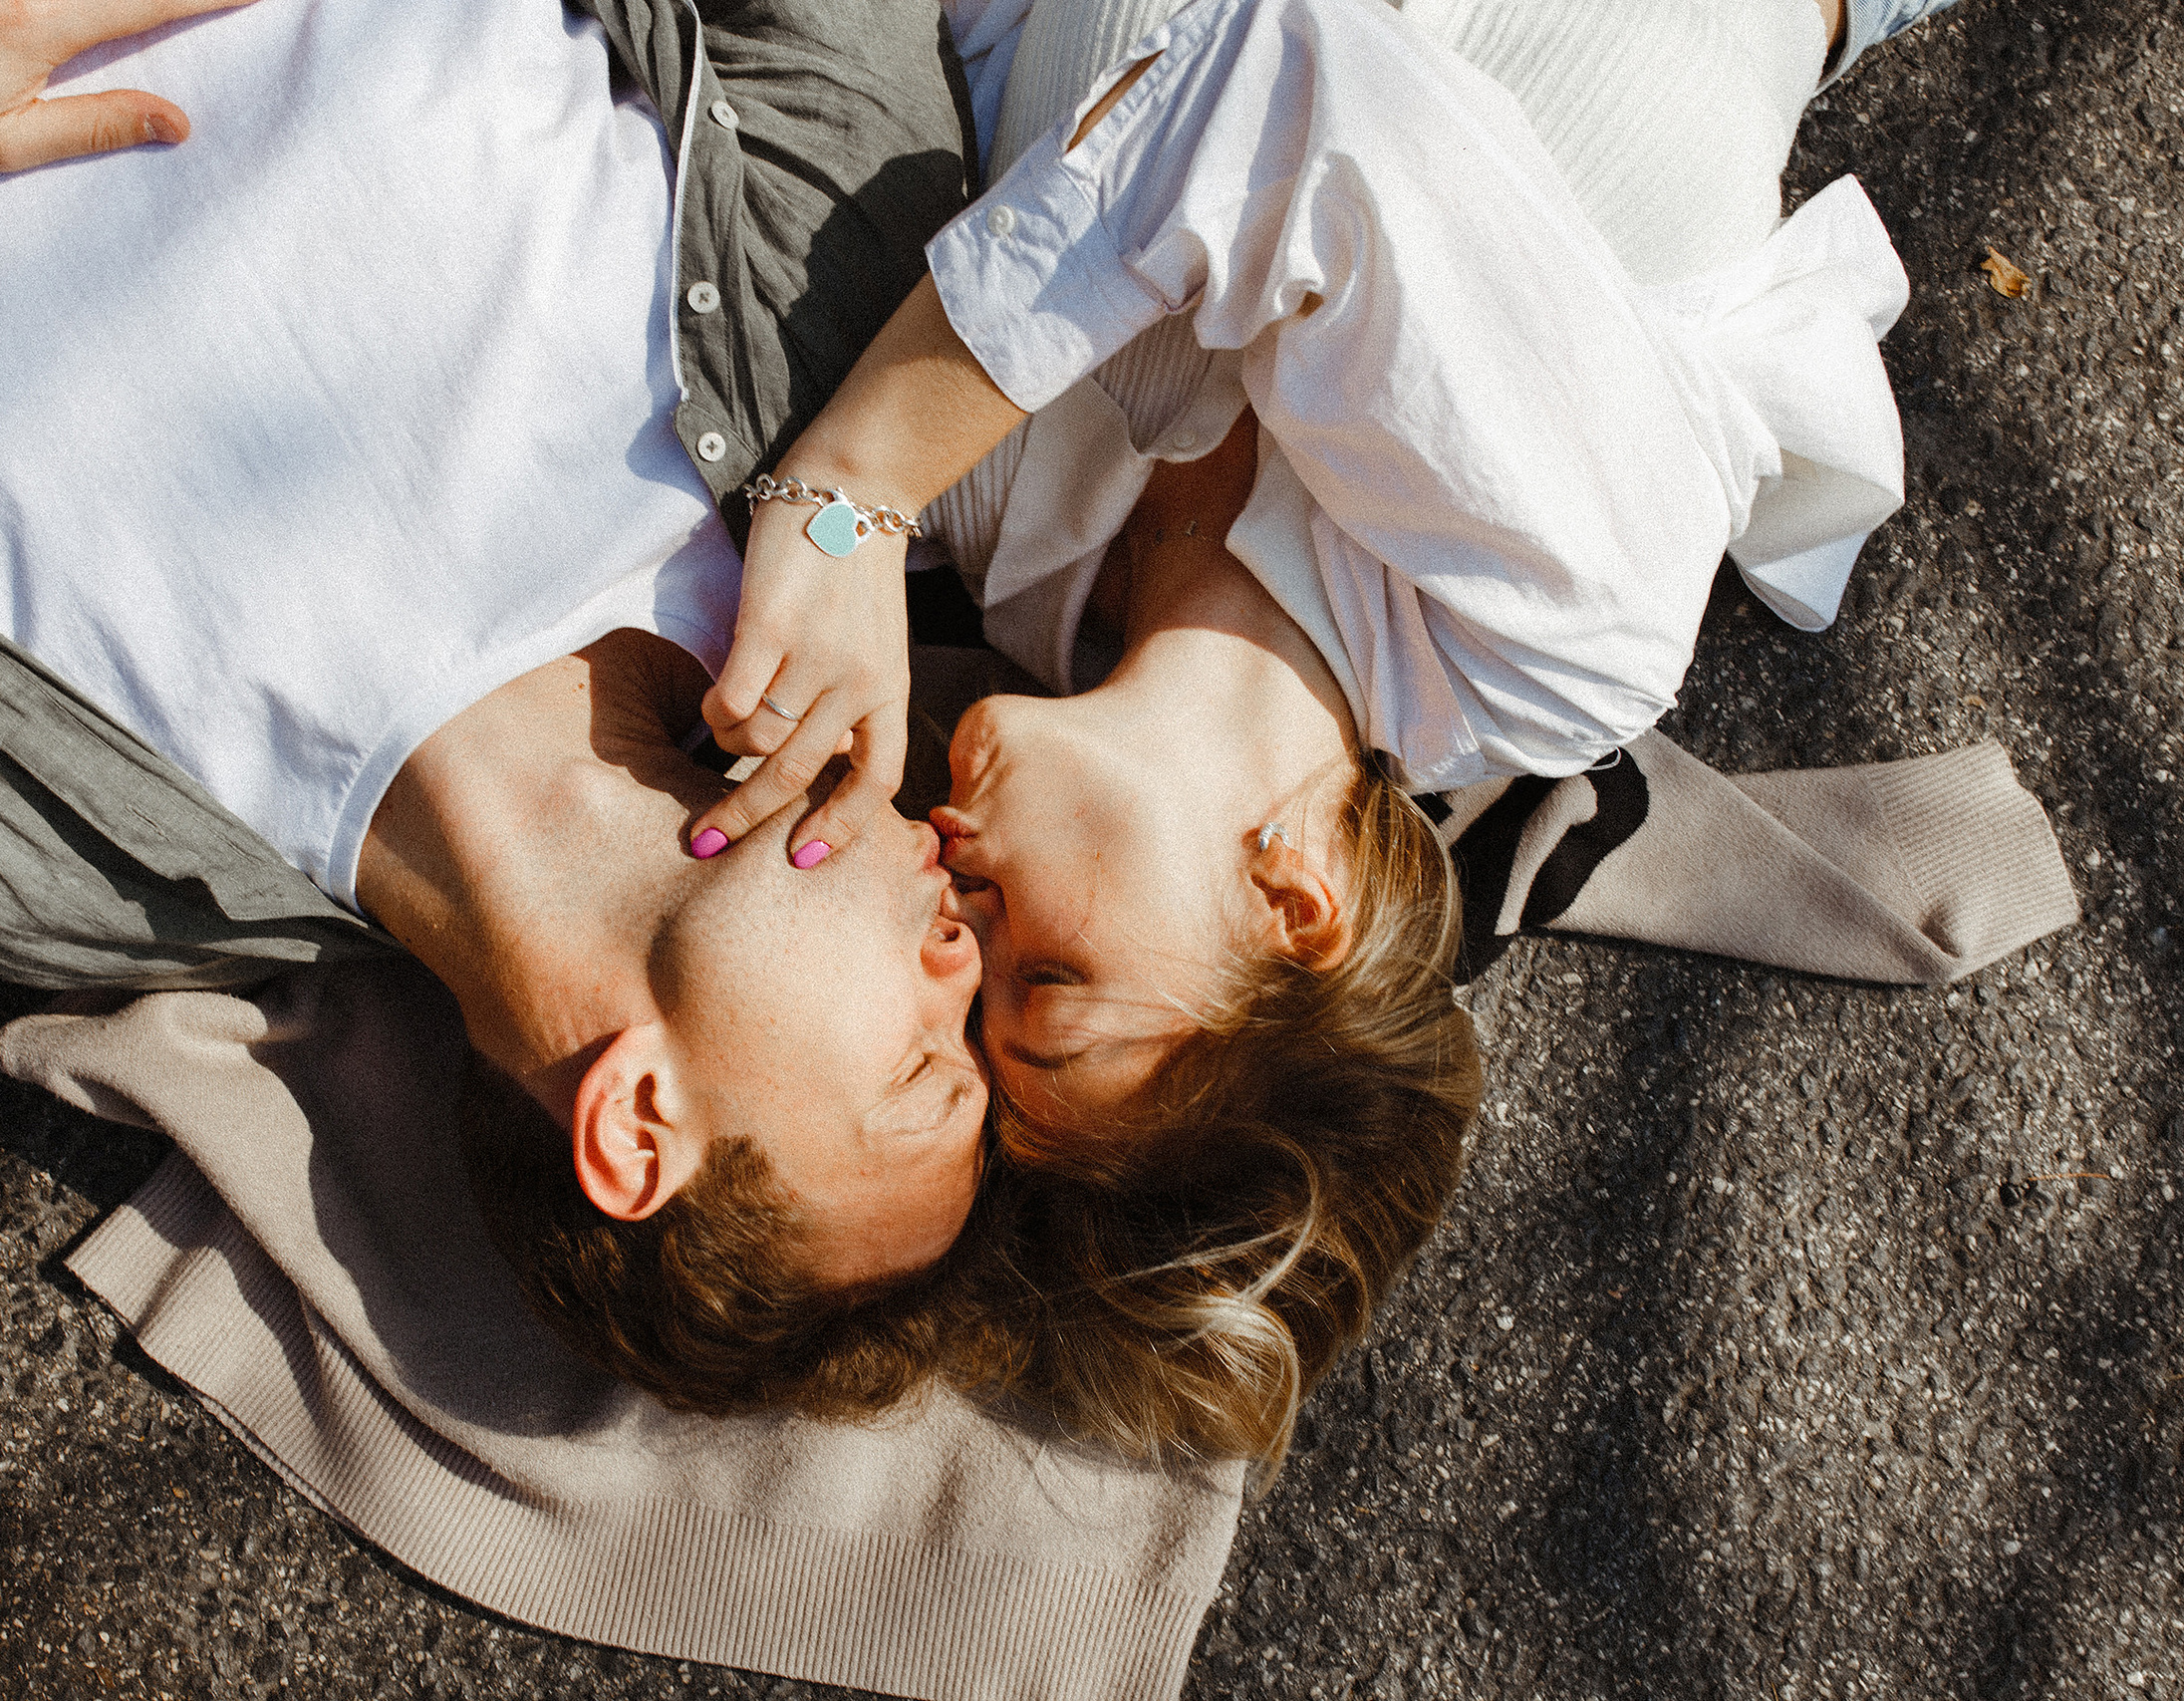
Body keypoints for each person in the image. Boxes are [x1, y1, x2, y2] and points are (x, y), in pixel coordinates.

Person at [0, 0, 994, 1414]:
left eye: (924, 1067)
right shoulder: (838, 387)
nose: (968, 958)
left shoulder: (14, 855)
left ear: (639, 1125)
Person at [685, 0, 1950, 1464]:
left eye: (972, 1001)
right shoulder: (1543, 640)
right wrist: (858, 477)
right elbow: (1291, 95)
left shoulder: (1001, 530)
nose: (959, 935)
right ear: (1295, 899)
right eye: (1053, 975)